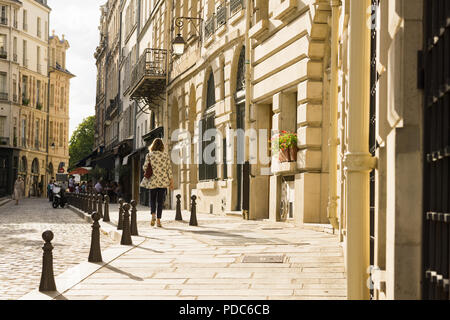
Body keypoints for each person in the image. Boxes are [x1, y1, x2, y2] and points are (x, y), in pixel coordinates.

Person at [140, 138, 173, 228]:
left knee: (152, 200)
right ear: (162, 146)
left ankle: (153, 215)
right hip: (163, 181)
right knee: (160, 201)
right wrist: (171, 181)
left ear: (153, 145)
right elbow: (169, 169)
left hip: (152, 181)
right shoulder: (165, 155)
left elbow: (145, 167)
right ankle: (158, 220)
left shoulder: (149, 155)